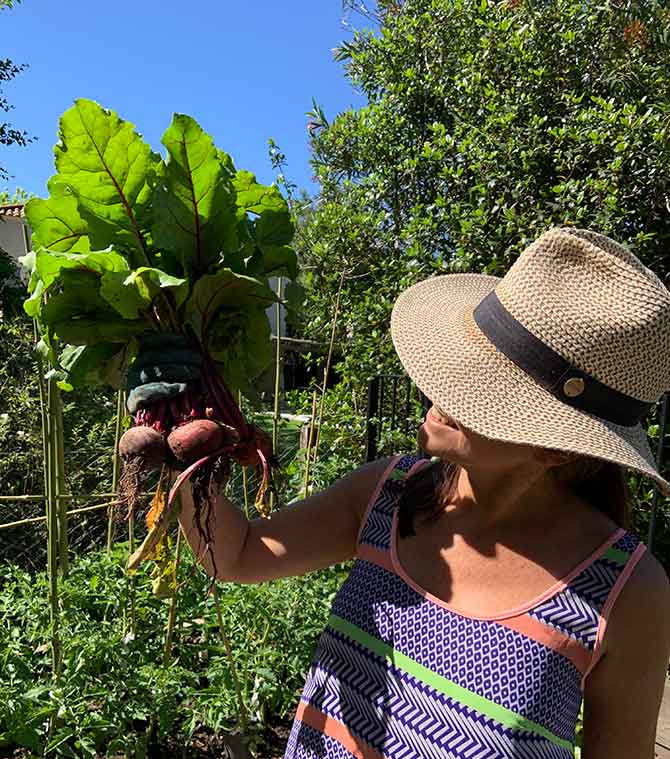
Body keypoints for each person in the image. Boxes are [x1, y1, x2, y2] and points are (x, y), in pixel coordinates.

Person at [168, 228, 670, 758]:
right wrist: (185, 445)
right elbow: (238, 554)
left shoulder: (627, 591)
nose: (443, 388)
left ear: (556, 449)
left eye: (484, 386)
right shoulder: (388, 494)